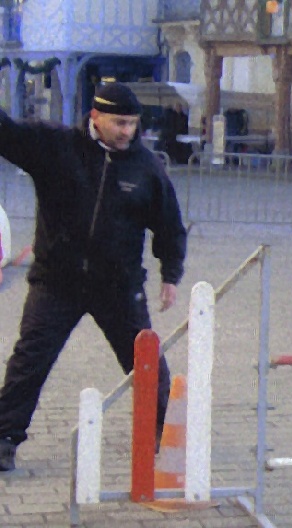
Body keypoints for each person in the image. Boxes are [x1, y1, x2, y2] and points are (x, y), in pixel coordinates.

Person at [0, 83, 187, 471]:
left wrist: (171, 273)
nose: (127, 133)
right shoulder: (54, 146)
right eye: (119, 123)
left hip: (118, 286)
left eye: (133, 125)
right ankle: (4, 438)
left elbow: (169, 225)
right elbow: (8, 134)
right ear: (95, 117)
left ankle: (167, 433)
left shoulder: (147, 167)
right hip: (56, 282)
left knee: (145, 360)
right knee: (29, 361)